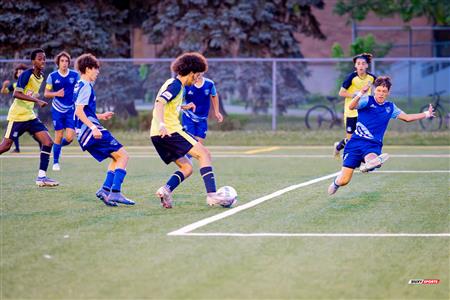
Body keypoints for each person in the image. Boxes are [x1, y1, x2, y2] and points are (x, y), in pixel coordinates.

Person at [150, 52, 235, 209]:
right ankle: (212, 196)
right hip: (170, 131)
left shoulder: (176, 87)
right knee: (204, 154)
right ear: (190, 72)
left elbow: (167, 103)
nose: (197, 79)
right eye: (197, 75)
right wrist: (162, 123)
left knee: (187, 168)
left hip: (156, 135)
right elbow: (159, 103)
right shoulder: (175, 85)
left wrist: (182, 106)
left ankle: (166, 190)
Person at [328, 76, 434, 195]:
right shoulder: (366, 100)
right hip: (355, 144)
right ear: (374, 90)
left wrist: (426, 114)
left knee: (373, 159)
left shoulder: (390, 107)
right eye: (378, 90)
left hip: (373, 145)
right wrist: (361, 93)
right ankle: (337, 182)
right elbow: (351, 106)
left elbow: (407, 118)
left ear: (388, 92)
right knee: (344, 180)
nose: (381, 94)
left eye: (384, 91)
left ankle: (370, 164)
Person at [73, 53, 134, 207]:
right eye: (95, 69)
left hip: (84, 132)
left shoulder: (79, 85)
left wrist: (99, 116)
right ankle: (116, 192)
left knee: (116, 158)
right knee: (124, 156)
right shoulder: (86, 86)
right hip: (90, 132)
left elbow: (82, 111)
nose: (98, 72)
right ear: (87, 69)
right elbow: (79, 112)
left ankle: (105, 190)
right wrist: (94, 127)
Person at [0, 49, 58, 186]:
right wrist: (36, 101)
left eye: (44, 58)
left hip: (30, 116)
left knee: (48, 142)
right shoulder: (26, 75)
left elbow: (30, 93)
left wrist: (35, 98)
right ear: (33, 61)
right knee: (6, 146)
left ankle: (41, 178)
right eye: (39, 59)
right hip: (17, 116)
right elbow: (16, 94)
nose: (42, 61)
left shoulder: (42, 76)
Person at [334, 53, 376, 158]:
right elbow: (341, 93)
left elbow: (380, 86)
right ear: (355, 66)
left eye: (363, 63)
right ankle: (338, 147)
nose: (361, 66)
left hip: (365, 112)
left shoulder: (371, 78)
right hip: (351, 112)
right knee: (350, 139)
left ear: (367, 65)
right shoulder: (351, 77)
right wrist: (355, 95)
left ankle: (359, 158)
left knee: (364, 137)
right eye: (358, 64)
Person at [44, 51, 80, 171]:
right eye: (62, 61)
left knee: (70, 137)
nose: (64, 63)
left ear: (69, 63)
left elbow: (80, 88)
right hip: (57, 110)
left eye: (66, 61)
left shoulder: (74, 75)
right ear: (58, 63)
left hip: (70, 110)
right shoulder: (52, 76)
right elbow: (46, 93)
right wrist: (56, 93)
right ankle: (55, 162)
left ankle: (57, 148)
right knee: (58, 135)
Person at [182, 73, 223, 143]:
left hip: (202, 119)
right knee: (190, 141)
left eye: (200, 70)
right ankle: (185, 154)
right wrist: (184, 106)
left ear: (203, 71)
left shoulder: (209, 84)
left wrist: (217, 111)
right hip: (188, 117)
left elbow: (214, 95)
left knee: (199, 143)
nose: (198, 73)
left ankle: (190, 154)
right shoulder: (187, 85)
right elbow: (177, 101)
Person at [1, 64, 28, 152]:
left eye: (22, 72)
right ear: (16, 74)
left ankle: (43, 147)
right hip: (17, 113)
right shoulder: (15, 85)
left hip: (28, 112)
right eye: (18, 72)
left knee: (34, 132)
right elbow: (4, 92)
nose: (20, 73)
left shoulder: (30, 83)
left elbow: (36, 93)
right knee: (14, 132)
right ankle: (17, 148)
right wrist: (4, 86)